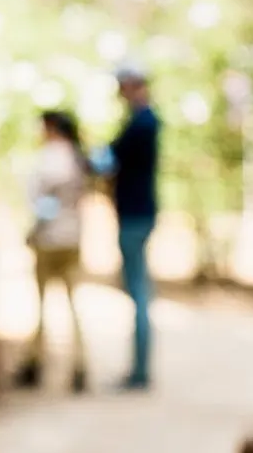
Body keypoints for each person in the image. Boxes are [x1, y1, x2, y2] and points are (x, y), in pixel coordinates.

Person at [12, 110, 90, 393]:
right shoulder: (79, 157)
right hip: (72, 239)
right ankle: (80, 366)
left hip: (49, 240)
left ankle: (35, 364)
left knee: (42, 306)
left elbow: (43, 202)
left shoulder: (49, 158)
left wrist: (33, 230)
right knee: (73, 306)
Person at [108, 63, 161, 391]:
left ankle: (140, 371)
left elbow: (111, 158)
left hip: (135, 215)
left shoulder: (143, 123)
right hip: (137, 213)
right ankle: (139, 369)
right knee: (138, 288)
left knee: (138, 290)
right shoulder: (142, 121)